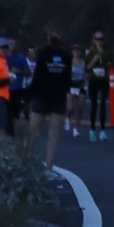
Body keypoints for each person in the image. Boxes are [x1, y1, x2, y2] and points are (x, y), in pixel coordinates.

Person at [29, 24, 72, 166]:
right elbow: (36, 77)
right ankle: (26, 162)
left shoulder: (66, 56)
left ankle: (48, 166)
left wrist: (67, 97)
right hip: (42, 97)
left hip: (57, 99)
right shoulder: (43, 54)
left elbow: (67, 79)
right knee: (34, 132)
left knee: (53, 134)